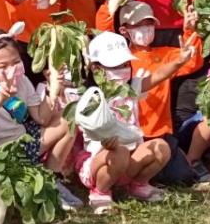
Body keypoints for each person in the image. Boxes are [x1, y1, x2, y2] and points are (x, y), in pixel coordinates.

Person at [0, 25, 83, 209]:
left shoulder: (24, 81)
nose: (12, 69)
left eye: (16, 62)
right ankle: (43, 187)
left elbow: (41, 118)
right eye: (2, 66)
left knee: (69, 119)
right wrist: (1, 97)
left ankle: (52, 176)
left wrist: (53, 91)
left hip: (22, 143)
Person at [77, 31, 182, 213]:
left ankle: (137, 185)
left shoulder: (132, 87)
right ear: (96, 68)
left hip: (130, 161)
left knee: (161, 147)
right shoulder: (92, 97)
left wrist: (180, 60)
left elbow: (158, 76)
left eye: (125, 64)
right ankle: (100, 192)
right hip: (101, 162)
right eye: (115, 66)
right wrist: (106, 146)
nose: (123, 69)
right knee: (119, 153)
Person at [115, 1, 203, 186]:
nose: (146, 29)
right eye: (139, 25)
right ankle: (133, 180)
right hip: (131, 134)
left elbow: (190, 60)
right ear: (124, 30)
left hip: (160, 134)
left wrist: (189, 31)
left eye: (149, 24)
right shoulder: (119, 60)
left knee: (183, 178)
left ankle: (154, 172)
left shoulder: (164, 54)